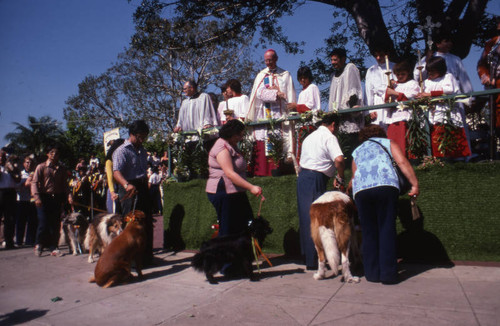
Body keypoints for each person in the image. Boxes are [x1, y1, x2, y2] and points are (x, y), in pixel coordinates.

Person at [350, 124, 419, 284]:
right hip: (385, 185)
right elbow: (401, 162)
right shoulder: (388, 143)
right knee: (386, 228)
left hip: (362, 190)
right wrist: (414, 184)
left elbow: (355, 175)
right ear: (381, 133)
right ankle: (388, 275)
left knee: (368, 231)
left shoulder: (357, 151)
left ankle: (372, 274)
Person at [296, 113, 345, 270]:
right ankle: (319, 260)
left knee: (307, 219)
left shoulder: (309, 137)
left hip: (304, 177)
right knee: (318, 220)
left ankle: (311, 259)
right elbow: (339, 159)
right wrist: (341, 176)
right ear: (333, 125)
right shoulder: (329, 137)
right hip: (315, 178)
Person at [206, 119, 262, 238]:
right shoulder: (221, 148)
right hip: (223, 191)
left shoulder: (232, 145)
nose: (241, 137)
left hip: (235, 191)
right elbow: (230, 174)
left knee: (244, 224)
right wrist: (251, 187)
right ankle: (224, 254)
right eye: (239, 134)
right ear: (231, 134)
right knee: (228, 229)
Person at [246, 49, 297, 176]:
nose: (268, 63)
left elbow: (289, 94)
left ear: (276, 59)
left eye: (270, 60)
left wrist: (282, 95)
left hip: (281, 113)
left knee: (283, 139)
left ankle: (283, 169)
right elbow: (258, 94)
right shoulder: (261, 75)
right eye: (266, 60)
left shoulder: (285, 75)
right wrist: (275, 93)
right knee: (266, 137)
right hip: (265, 113)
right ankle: (265, 171)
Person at [113, 120, 153, 265]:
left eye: (144, 137)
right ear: (131, 134)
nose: (142, 140)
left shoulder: (142, 150)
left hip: (142, 187)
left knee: (146, 222)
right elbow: (116, 172)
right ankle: (129, 260)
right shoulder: (122, 150)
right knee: (131, 225)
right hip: (128, 188)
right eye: (139, 137)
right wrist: (126, 184)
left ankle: (146, 257)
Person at [416, 56, 471, 158]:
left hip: (447, 110)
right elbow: (423, 94)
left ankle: (456, 158)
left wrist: (429, 94)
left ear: (440, 70)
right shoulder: (426, 82)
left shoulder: (448, 77)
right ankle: (439, 158)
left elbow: (448, 90)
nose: (430, 74)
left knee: (450, 133)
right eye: (428, 71)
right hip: (434, 112)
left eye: (433, 71)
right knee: (436, 134)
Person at [31, 145, 73, 256]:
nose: (54, 154)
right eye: (52, 152)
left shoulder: (62, 169)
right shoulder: (41, 167)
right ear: (47, 154)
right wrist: (37, 197)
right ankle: (39, 244)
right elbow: (34, 183)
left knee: (55, 224)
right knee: (43, 222)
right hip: (44, 198)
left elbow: (65, 185)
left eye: (56, 153)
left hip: (57, 198)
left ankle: (54, 246)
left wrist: (69, 196)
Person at [327, 48, 364, 161]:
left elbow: (353, 90)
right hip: (338, 115)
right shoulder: (334, 75)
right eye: (331, 60)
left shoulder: (350, 68)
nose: (333, 62)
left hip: (349, 115)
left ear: (343, 59)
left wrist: (349, 110)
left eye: (335, 59)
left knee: (351, 141)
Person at [385, 60, 421, 155]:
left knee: (406, 140)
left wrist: (395, 93)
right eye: (398, 74)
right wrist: (390, 89)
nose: (400, 76)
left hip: (407, 116)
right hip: (394, 117)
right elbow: (387, 100)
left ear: (408, 73)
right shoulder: (395, 85)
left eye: (403, 74)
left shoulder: (413, 83)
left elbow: (411, 96)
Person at [477, 17, 500, 136]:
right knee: (496, 118)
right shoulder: (491, 44)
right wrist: (485, 76)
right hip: (494, 86)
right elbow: (481, 64)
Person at [365, 48, 395, 129]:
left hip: (392, 101)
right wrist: (370, 109)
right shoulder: (371, 70)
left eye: (381, 55)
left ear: (387, 54)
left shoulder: (394, 67)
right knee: (378, 129)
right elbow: (369, 91)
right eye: (376, 56)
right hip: (378, 103)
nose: (378, 58)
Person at [0, 147, 20, 249]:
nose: (2, 158)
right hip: (0, 192)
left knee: (10, 219)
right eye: (0, 156)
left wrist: (12, 170)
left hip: (11, 193)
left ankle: (9, 242)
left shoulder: (12, 166)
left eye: (4, 156)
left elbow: (18, 179)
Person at [15, 156, 37, 247]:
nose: (29, 164)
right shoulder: (20, 174)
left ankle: (29, 241)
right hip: (22, 200)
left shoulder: (35, 174)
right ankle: (19, 241)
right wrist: (26, 183)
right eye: (27, 162)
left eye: (30, 162)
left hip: (31, 201)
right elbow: (16, 186)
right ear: (24, 164)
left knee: (31, 221)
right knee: (20, 221)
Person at [105, 138, 125, 214]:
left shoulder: (121, 159)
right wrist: (112, 192)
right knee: (114, 214)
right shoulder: (109, 162)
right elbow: (110, 179)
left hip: (122, 187)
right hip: (114, 189)